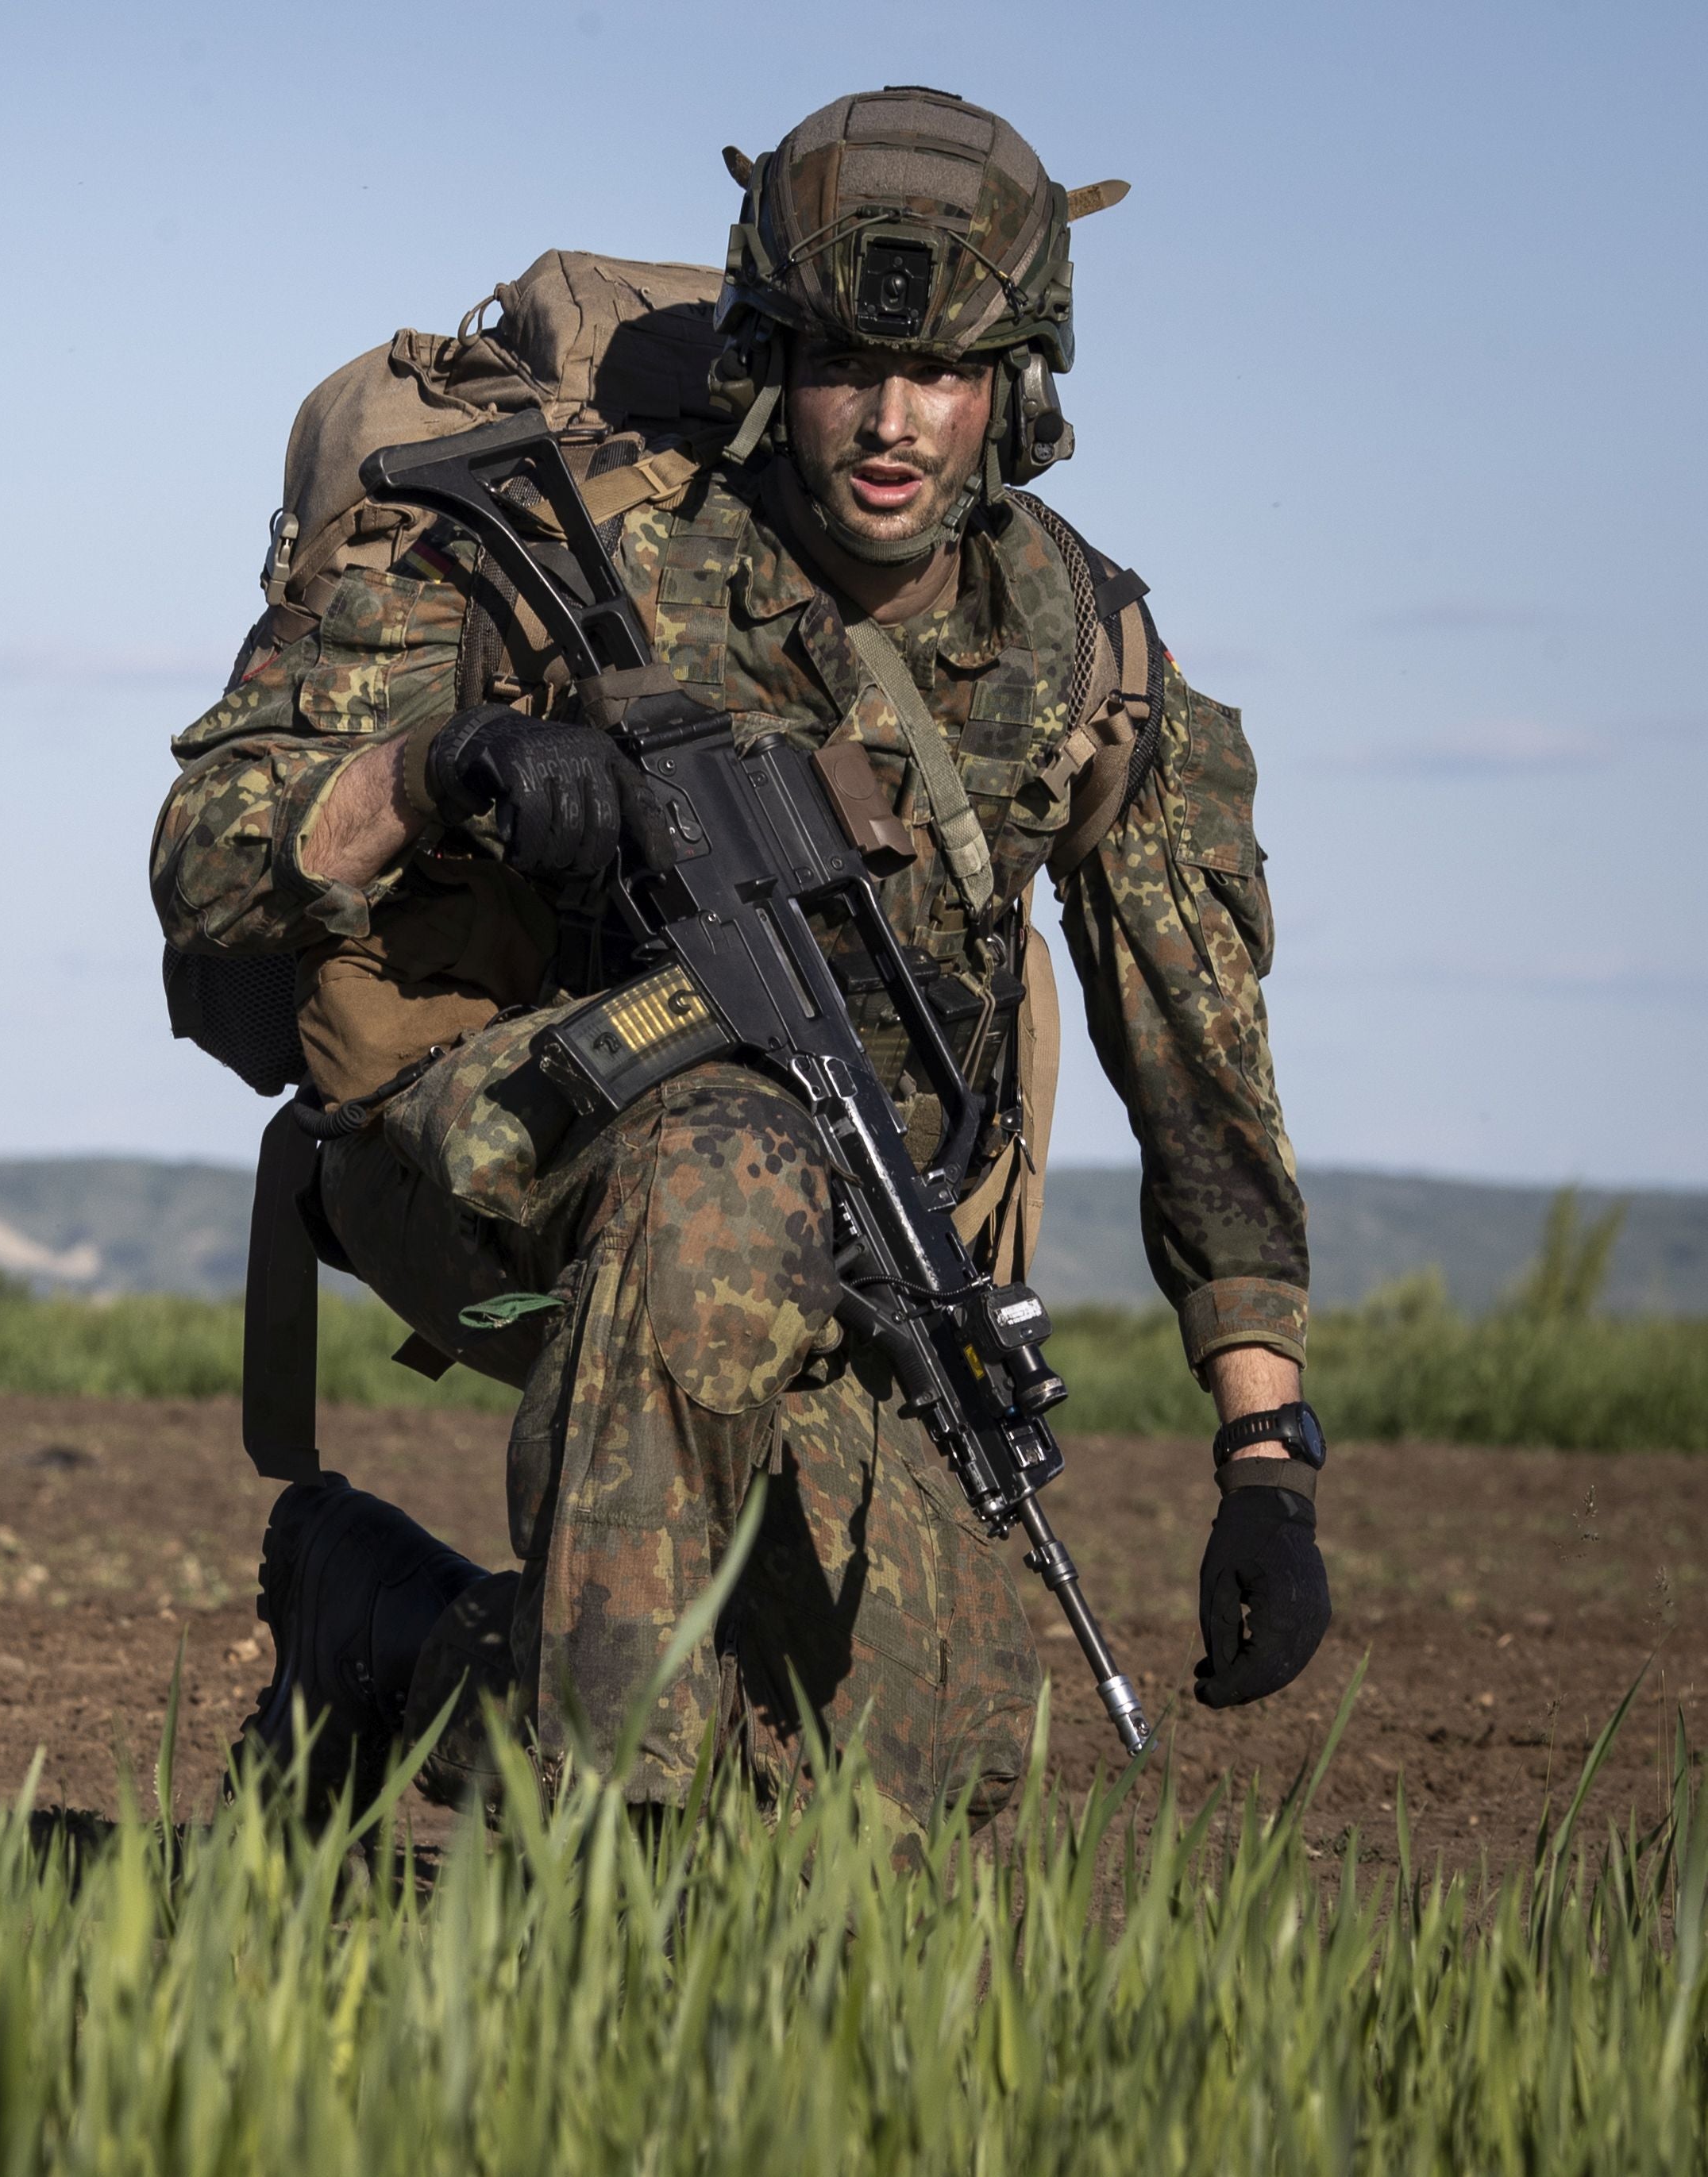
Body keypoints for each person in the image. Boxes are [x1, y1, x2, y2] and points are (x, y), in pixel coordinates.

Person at [152, 87, 1328, 1825]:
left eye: (943, 373)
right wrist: (442, 767)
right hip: (490, 1166)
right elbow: (207, 863)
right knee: (720, 1175)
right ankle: (596, 1863)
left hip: (844, 1252)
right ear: (771, 353)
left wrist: (1263, 1456)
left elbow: (1199, 1068)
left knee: (928, 1755)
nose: (891, 421)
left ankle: (379, 1636)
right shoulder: (541, 538)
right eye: (848, 361)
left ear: (1018, 388)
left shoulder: (1084, 653)